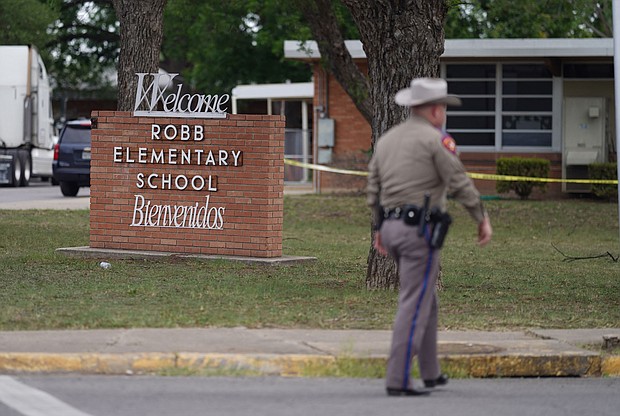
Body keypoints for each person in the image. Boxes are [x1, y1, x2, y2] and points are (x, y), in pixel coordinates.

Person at [367, 78, 493, 397]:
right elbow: (459, 181)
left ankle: (431, 372)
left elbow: (373, 189)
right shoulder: (435, 140)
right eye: (445, 109)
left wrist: (379, 228)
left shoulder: (387, 140)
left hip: (392, 229)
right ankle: (398, 379)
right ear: (436, 110)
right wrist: (481, 218)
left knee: (426, 299)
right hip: (417, 232)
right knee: (413, 302)